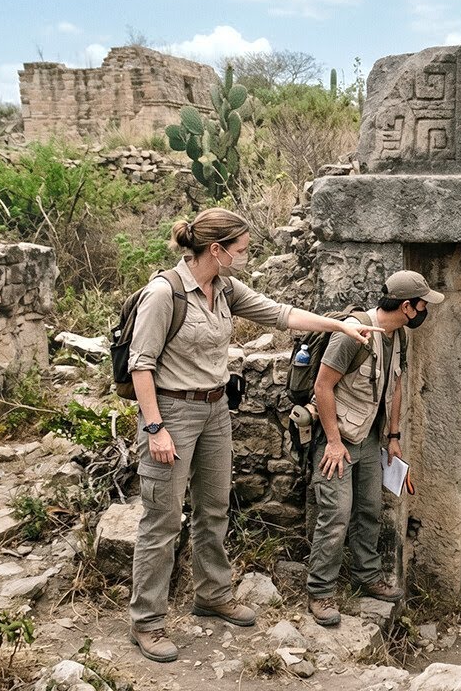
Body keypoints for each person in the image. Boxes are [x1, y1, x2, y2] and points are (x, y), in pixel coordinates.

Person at [127, 207, 383, 663]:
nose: (247, 256)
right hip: (171, 411)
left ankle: (212, 594)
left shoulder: (223, 287)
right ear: (217, 250)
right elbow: (140, 364)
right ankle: (147, 621)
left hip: (215, 410)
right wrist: (155, 428)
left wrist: (339, 324)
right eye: (242, 249)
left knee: (214, 507)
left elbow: (280, 314)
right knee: (162, 520)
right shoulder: (164, 293)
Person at [306, 270, 444, 626]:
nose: (426, 310)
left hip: (368, 438)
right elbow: (323, 387)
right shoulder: (354, 335)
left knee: (368, 509)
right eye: (423, 304)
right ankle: (320, 593)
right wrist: (333, 443)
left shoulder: (398, 338)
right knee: (336, 515)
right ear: (408, 306)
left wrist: (393, 437)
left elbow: (395, 387)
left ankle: (366, 577)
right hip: (337, 439)